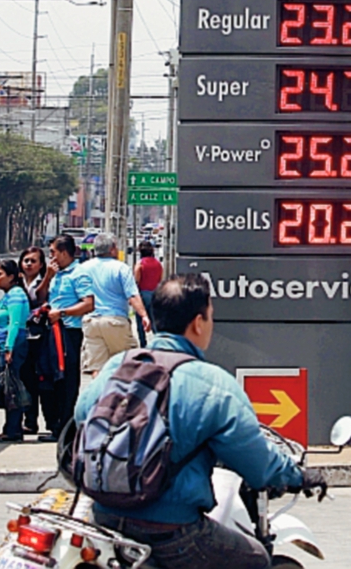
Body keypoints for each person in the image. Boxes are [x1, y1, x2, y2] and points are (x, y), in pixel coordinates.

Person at [76, 274, 325, 569]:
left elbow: (82, 415)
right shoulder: (212, 384)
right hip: (171, 534)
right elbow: (257, 464)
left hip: (103, 519)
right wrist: (297, 477)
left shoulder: (119, 365)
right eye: (210, 316)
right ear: (198, 322)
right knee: (257, 558)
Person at [39, 234, 95, 440]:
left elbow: (88, 303)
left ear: (64, 253)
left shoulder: (78, 274)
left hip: (68, 332)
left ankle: (66, 427)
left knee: (67, 379)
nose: (51, 257)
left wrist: (62, 313)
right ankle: (55, 425)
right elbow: (40, 295)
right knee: (50, 379)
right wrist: (48, 277)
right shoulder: (57, 274)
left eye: (53, 252)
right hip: (51, 331)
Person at [77, 233, 151, 377]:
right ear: (111, 249)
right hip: (115, 321)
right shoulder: (121, 268)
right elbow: (132, 295)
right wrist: (144, 315)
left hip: (91, 322)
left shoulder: (83, 268)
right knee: (129, 364)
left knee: (97, 368)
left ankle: (100, 396)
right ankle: (122, 396)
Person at [0, 259, 31, 443]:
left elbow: (14, 323)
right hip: (5, 347)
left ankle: (13, 429)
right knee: (9, 388)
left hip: (13, 348)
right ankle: (10, 427)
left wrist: (8, 348)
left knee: (11, 388)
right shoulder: (9, 294)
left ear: (12, 277)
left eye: (0, 274)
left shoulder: (15, 295)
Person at [18, 245, 50, 435]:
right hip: (22, 337)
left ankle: (48, 421)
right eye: (26, 260)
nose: (29, 264)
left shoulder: (46, 281)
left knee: (42, 380)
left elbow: (41, 297)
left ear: (41, 265)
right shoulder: (17, 283)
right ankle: (29, 420)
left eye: (33, 261)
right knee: (25, 378)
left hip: (41, 337)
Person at [134, 241, 163, 348]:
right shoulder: (157, 264)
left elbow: (136, 280)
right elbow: (160, 279)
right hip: (155, 293)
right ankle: (159, 341)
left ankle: (143, 344)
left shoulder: (140, 264)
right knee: (154, 319)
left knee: (141, 319)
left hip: (143, 294)